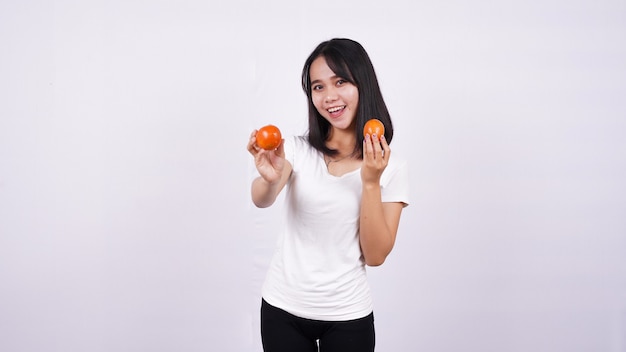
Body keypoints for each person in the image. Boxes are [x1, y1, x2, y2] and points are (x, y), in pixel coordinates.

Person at [246, 38, 410, 352]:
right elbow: (261, 198)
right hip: (282, 309)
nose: (329, 97)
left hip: (348, 315)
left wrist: (371, 182)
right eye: (318, 87)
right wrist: (268, 179)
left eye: (340, 82)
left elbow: (375, 256)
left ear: (363, 85)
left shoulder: (392, 167)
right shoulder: (295, 148)